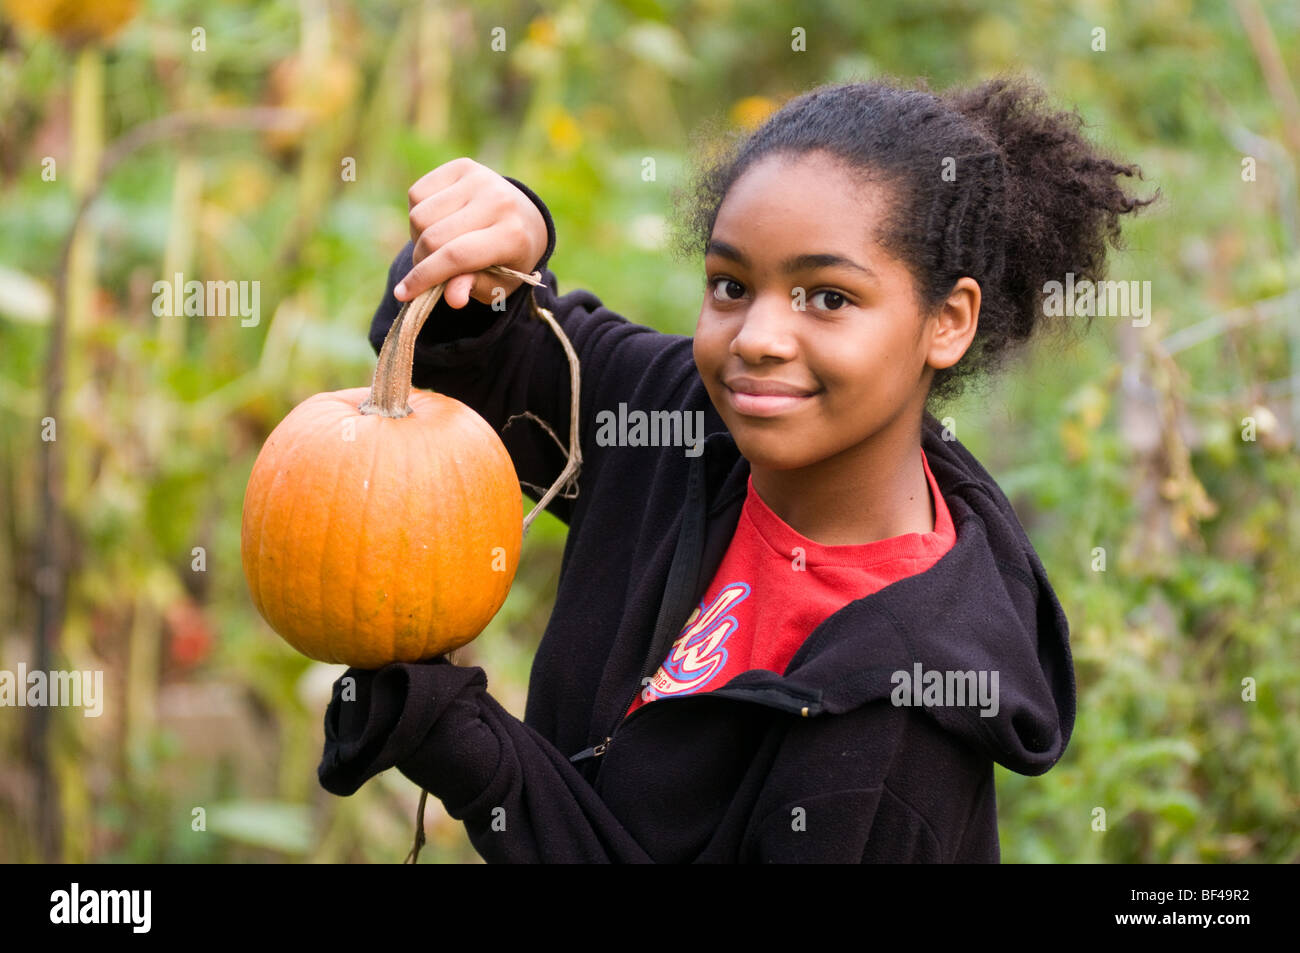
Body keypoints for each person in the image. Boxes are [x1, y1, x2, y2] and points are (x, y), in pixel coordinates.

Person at [317, 75, 1157, 862]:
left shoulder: (898, 724)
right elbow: (486, 367)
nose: (757, 336)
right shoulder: (687, 420)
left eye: (827, 296)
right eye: (729, 285)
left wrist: (464, 743)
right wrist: (499, 252)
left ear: (948, 320)